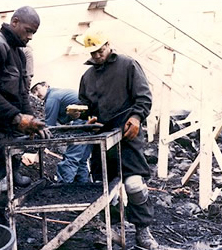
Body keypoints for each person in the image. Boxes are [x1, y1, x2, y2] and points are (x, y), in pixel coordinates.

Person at [0, 6, 51, 224]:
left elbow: (22, 94)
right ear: (14, 22)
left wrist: (33, 121)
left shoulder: (18, 53)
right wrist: (16, 117)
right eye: (28, 30)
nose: (30, 37)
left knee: (5, 183)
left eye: (34, 33)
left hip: (6, 130)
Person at [75, 28, 159, 249]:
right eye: (92, 53)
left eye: (100, 50)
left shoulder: (128, 65)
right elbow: (86, 106)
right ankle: (110, 230)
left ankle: (143, 231)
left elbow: (143, 97)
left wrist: (136, 116)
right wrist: (85, 116)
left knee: (133, 184)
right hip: (102, 140)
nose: (96, 56)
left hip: (127, 135)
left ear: (108, 45)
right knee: (105, 189)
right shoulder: (88, 76)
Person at [30, 81, 91, 183]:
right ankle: (84, 186)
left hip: (81, 121)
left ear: (46, 85)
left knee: (71, 157)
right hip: (89, 121)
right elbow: (63, 120)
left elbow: (50, 126)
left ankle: (63, 186)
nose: (36, 94)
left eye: (37, 89)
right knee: (81, 160)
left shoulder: (52, 97)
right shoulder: (59, 94)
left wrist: (37, 149)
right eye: (33, 92)